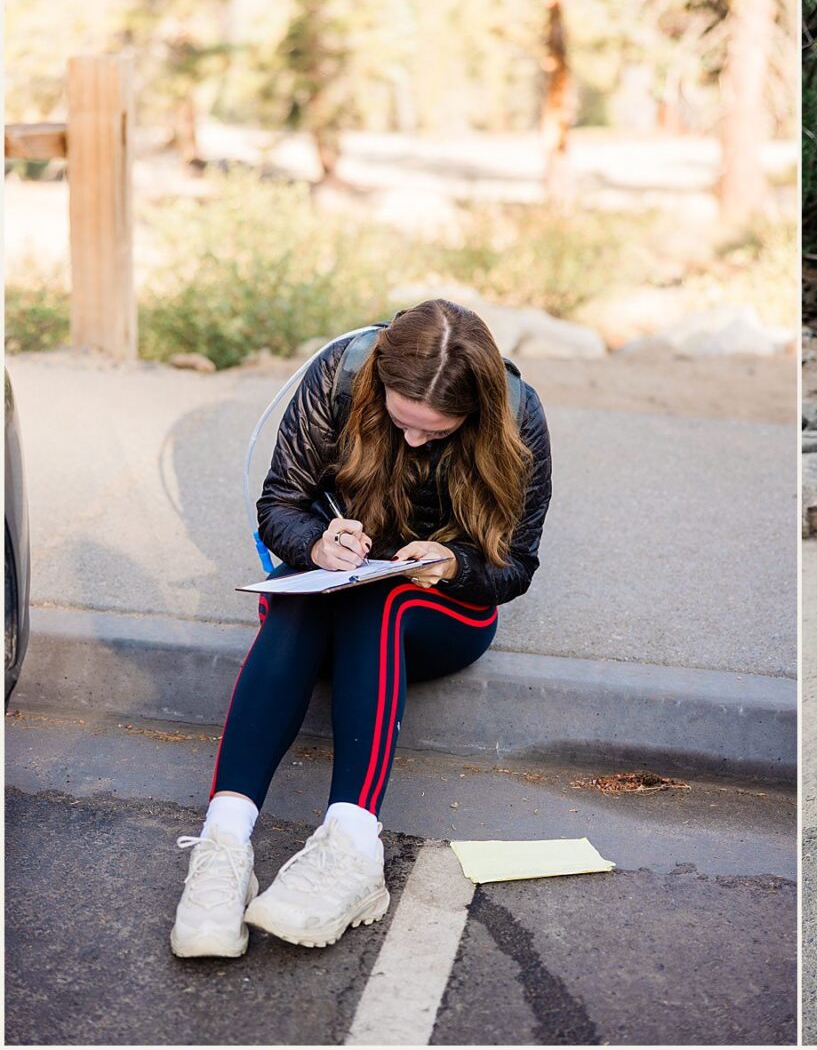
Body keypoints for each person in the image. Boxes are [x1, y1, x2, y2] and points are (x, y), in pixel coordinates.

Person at [170, 299, 553, 956]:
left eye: (435, 432)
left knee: (385, 601)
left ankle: (352, 849)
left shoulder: (519, 416)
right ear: (380, 381)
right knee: (298, 598)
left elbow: (515, 567)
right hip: (328, 592)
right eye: (403, 422)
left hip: (441, 613)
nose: (412, 441)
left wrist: (453, 563)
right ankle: (223, 848)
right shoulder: (339, 374)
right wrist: (316, 544)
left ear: (477, 413)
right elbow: (278, 505)